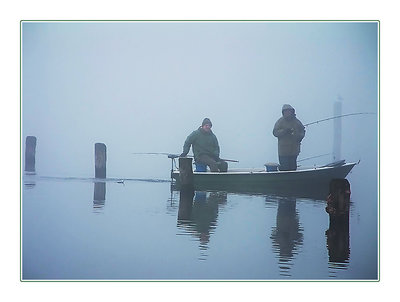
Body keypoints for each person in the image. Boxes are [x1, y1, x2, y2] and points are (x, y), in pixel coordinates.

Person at [273, 104, 305, 171]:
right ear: (283, 112)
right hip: (283, 151)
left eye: (289, 111)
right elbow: (275, 132)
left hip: (294, 150)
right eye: (285, 111)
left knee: (293, 168)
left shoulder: (297, 122)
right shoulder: (280, 121)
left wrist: (299, 137)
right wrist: (284, 131)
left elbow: (302, 131)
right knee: (284, 169)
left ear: (292, 111)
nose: (287, 113)